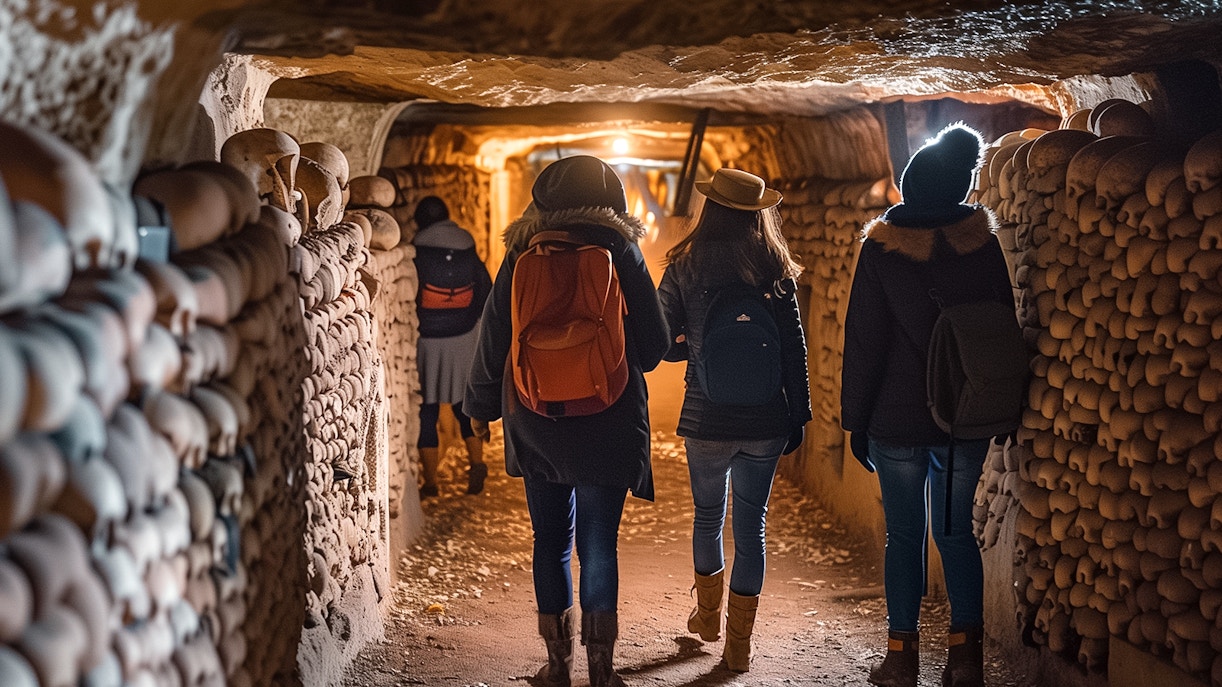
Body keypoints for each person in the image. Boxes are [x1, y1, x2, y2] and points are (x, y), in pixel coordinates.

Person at [463, 156, 669, 687]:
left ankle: (557, 667)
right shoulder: (620, 248)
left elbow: (494, 337)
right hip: (609, 413)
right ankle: (602, 670)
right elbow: (653, 348)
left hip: (536, 415)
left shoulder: (522, 250)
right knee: (599, 542)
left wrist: (480, 408)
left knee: (550, 539)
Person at [840, 123, 1012, 687]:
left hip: (897, 420)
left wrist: (855, 423)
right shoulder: (982, 244)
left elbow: (864, 341)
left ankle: (901, 658)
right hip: (965, 420)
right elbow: (1002, 331)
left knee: (905, 535)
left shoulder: (882, 250)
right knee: (956, 532)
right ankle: (965, 662)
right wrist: (1003, 407)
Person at [657, 167, 812, 673]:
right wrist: (799, 416)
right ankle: (739, 648)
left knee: (707, 518)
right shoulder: (775, 265)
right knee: (753, 530)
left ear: (711, 207)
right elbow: (794, 348)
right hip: (766, 418)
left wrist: (690, 351)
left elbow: (660, 339)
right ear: (758, 213)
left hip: (705, 417)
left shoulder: (684, 263)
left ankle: (708, 619)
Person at [412, 195, 493, 497]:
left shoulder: (417, 247)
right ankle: (477, 463)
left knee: (427, 410)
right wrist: (474, 322)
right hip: (463, 339)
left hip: (427, 341)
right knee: (464, 406)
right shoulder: (466, 244)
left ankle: (430, 482)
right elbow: (486, 288)